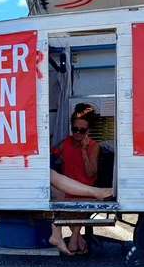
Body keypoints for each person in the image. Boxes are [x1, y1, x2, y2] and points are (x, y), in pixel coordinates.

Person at [47, 104, 113, 256]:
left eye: (81, 130)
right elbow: (51, 157)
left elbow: (91, 172)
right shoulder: (66, 143)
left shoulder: (93, 146)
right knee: (61, 197)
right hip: (67, 187)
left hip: (85, 186)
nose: (77, 133)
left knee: (79, 202)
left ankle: (75, 238)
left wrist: (83, 151)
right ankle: (78, 241)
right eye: (75, 129)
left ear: (88, 131)